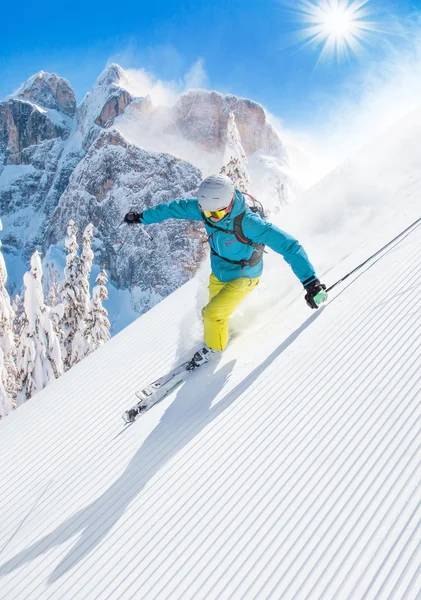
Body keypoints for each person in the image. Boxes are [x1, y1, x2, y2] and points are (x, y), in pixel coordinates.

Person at [124, 174, 326, 370]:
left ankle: (214, 349)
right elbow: (174, 209)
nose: (212, 218)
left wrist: (311, 282)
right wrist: (142, 218)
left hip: (245, 276)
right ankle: (222, 333)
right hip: (220, 273)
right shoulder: (208, 210)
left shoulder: (249, 223)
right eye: (207, 213)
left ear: (229, 204)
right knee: (212, 314)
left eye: (218, 214)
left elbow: (289, 246)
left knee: (211, 314)